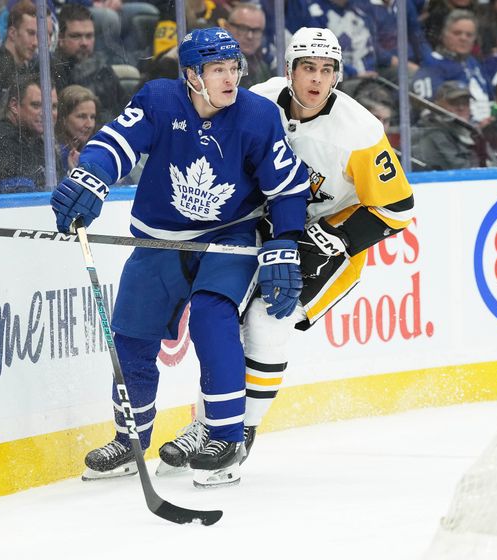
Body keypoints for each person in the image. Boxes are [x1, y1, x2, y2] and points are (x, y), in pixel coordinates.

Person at [51, 27, 310, 488]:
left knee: (213, 320)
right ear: (191, 75)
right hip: (159, 241)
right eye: (217, 70)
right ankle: (131, 439)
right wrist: (91, 176)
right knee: (131, 336)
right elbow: (114, 143)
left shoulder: (257, 116)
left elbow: (287, 186)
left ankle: (226, 437)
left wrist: (284, 241)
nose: (230, 79)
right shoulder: (158, 101)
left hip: (227, 239)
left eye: (234, 68)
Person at [156, 27, 414, 472]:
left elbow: (398, 208)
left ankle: (239, 435)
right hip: (266, 228)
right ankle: (210, 423)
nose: (317, 79)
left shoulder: (359, 131)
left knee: (267, 317)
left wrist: (332, 240)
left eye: (328, 70)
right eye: (308, 68)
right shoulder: (260, 98)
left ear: (338, 76)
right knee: (223, 318)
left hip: (327, 240)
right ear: (289, 70)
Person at [0, 0, 50, 131]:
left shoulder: (27, 67)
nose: (36, 42)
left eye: (41, 35)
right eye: (31, 33)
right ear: (12, 33)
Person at [0, 73, 57, 193]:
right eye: (37, 105)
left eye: (53, 107)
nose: (47, 113)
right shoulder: (0, 141)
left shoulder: (40, 143)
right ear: (14, 105)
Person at [412, 10, 494, 124]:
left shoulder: (473, 62)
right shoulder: (432, 64)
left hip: (486, 128)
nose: (463, 38)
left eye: (469, 35)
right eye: (457, 33)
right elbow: (430, 111)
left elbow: (492, 99)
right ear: (443, 35)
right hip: (454, 132)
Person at [51, 4, 127, 125]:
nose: (84, 43)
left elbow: (123, 111)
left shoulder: (103, 68)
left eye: (89, 36)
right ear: (60, 38)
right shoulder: (53, 71)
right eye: (76, 36)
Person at [285, 0, 379, 79]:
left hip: (362, 78)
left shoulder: (359, 13)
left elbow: (367, 50)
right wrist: (352, 73)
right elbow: (317, 52)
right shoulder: (313, 12)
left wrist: (367, 71)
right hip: (331, 77)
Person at [412, 80, 489, 169]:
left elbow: (493, 162)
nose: (461, 107)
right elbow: (461, 171)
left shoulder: (473, 132)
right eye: (454, 103)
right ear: (438, 105)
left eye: (465, 102)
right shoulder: (432, 132)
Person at [221, 2, 272, 89]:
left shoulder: (263, 68)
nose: (250, 36)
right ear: (227, 27)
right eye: (243, 28)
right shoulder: (214, 65)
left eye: (256, 30)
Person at [55, 85, 98, 171]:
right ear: (63, 119)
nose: (89, 125)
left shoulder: (92, 150)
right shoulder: (54, 155)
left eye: (92, 117)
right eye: (82, 117)